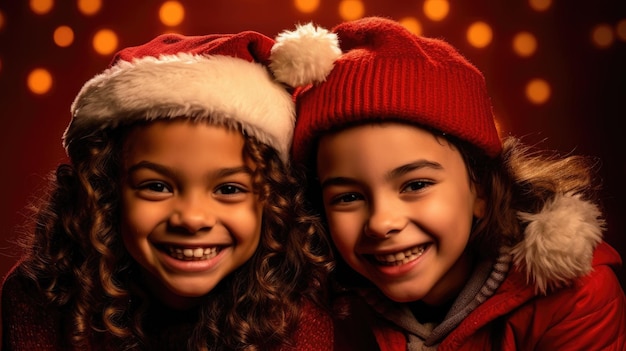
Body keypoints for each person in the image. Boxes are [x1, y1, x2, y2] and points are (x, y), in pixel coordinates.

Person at [270, 16, 626, 350]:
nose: (381, 222)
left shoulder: (574, 297)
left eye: (415, 185)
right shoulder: (316, 305)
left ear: (482, 189)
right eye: (348, 196)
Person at [1, 30, 334, 350]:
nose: (192, 218)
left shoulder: (301, 307)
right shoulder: (40, 296)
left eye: (229, 189)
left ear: (273, 202)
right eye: (157, 186)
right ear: (105, 193)